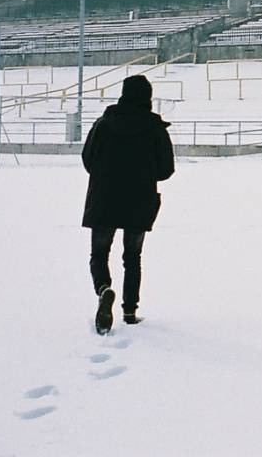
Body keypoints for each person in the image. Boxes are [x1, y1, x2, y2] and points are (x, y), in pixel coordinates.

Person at [81, 74, 175, 334]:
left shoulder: (103, 124)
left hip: (103, 198)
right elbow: (166, 169)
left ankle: (104, 289)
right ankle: (130, 311)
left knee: (99, 254)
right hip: (139, 200)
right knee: (132, 257)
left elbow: (88, 159)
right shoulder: (155, 128)